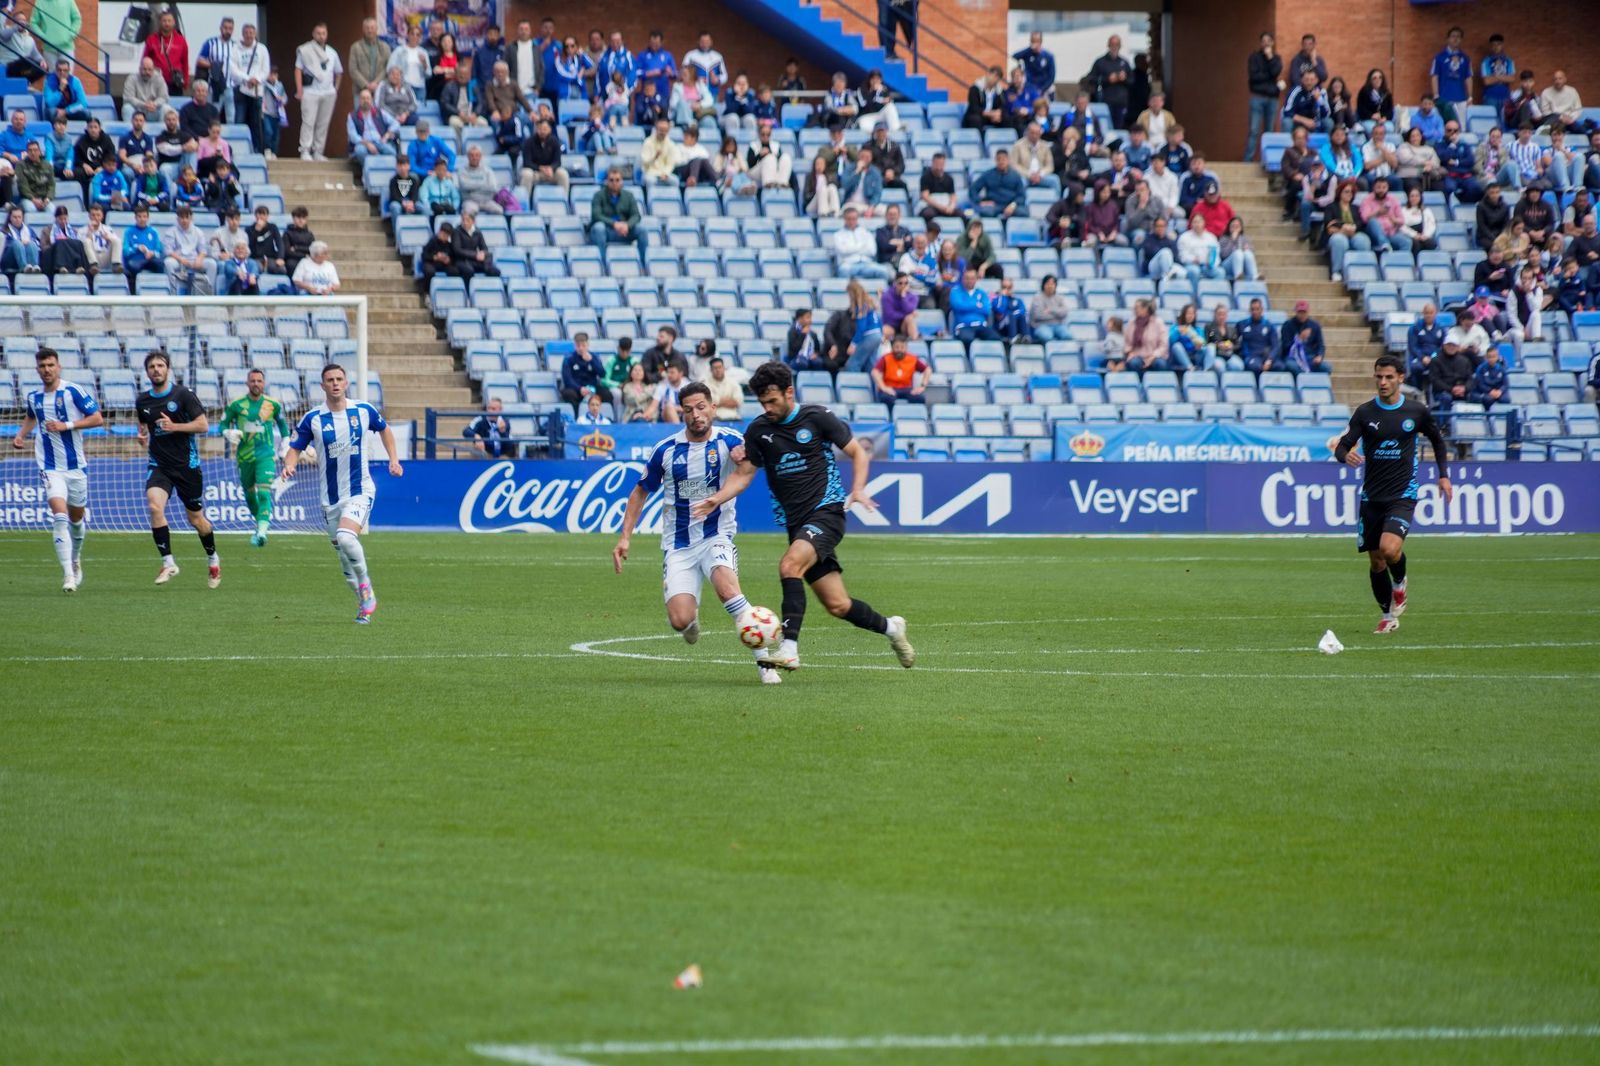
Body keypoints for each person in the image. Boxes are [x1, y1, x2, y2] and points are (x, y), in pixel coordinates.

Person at [690, 361, 913, 673]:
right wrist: (716, 498)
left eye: (773, 400)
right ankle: (892, 628)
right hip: (798, 525)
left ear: (789, 392)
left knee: (788, 565)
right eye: (762, 402)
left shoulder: (817, 417)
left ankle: (789, 650)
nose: (768, 408)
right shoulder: (759, 430)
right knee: (838, 605)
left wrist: (858, 489)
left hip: (827, 512)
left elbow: (859, 452)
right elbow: (745, 474)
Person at [613, 382, 779, 682]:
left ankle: (765, 665)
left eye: (701, 407)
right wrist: (625, 536)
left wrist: (748, 456)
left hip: (717, 535)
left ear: (713, 407)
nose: (696, 415)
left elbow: (753, 463)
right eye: (688, 410)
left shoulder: (730, 441)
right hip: (679, 544)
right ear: (682, 413)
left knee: (728, 590)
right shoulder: (665, 450)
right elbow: (640, 491)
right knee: (680, 620)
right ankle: (690, 621)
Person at [1334, 355, 1451, 633]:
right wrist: (1345, 456)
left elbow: (1437, 439)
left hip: (1402, 494)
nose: (1383, 382)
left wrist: (1443, 475)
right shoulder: (1365, 413)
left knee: (1389, 549)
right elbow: (1342, 446)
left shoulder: (1416, 412)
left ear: (1401, 378)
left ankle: (1400, 584)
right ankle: (1388, 616)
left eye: (1388, 377)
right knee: (1375, 562)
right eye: (1378, 377)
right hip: (1371, 497)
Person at [281, 365, 403, 623]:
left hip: (360, 489)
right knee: (344, 558)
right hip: (330, 498)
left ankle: (367, 586)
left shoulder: (363, 410)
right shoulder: (313, 418)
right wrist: (290, 464)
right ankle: (362, 603)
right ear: (323, 386)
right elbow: (295, 448)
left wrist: (394, 459)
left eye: (339, 379)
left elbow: (385, 430)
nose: (335, 383)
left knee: (347, 539)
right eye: (330, 380)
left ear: (346, 383)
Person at [11, 348, 102, 591]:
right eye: (42, 366)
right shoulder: (33, 397)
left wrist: (66, 425)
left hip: (76, 466)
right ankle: (68, 576)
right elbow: (32, 416)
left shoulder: (73, 391)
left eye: (51, 365)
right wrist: (21, 435)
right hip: (50, 466)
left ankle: (76, 558)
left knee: (76, 519)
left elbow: (97, 418)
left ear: (58, 366)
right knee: (59, 516)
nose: (47, 370)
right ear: (37, 369)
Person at [136, 351, 218, 587]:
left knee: (196, 519)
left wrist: (175, 426)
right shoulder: (142, 401)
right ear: (147, 372)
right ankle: (168, 562)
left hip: (186, 466)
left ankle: (213, 557)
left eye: (160, 365)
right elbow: (143, 426)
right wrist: (141, 436)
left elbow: (203, 425)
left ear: (168, 369)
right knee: (154, 505)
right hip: (159, 465)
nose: (156, 369)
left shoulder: (183, 395)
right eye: (151, 366)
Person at [218, 369, 291, 546]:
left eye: (259, 381)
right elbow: (222, 424)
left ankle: (263, 532)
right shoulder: (237, 405)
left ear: (263, 383)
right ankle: (259, 526)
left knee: (265, 493)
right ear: (247, 383)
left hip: (266, 455)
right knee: (250, 496)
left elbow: (282, 424)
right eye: (253, 381)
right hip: (244, 457)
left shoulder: (272, 404)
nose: (256, 384)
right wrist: (228, 432)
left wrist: (286, 442)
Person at [295, 24, 343, 161]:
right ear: (313, 34)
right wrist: (299, 89)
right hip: (310, 91)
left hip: (328, 92)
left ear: (327, 35)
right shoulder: (305, 50)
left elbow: (339, 72)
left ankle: (318, 151)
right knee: (308, 122)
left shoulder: (332, 52)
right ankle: (305, 150)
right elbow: (298, 69)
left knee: (323, 123)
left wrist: (335, 89)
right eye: (318, 33)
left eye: (323, 33)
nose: (321, 36)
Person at [588, 166, 644, 267]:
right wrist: (614, 224)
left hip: (624, 232)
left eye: (617, 180)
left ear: (622, 181)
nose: (614, 183)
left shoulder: (629, 196)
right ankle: (603, 265)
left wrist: (627, 225)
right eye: (611, 180)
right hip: (607, 231)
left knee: (641, 230)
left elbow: (636, 215)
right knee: (598, 227)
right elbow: (596, 215)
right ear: (607, 181)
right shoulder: (598, 195)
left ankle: (643, 265)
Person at [1244, 32, 1283, 162]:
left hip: (1272, 99)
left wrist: (1270, 57)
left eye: (1268, 40)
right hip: (1257, 97)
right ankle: (1248, 160)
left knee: (1269, 131)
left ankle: (1267, 160)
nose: (1266, 43)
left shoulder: (1276, 59)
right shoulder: (1254, 57)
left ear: (1272, 43)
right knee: (1254, 130)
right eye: (1263, 41)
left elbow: (1276, 71)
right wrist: (1270, 77)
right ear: (1260, 43)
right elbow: (1254, 77)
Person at [163, 206, 213, 294]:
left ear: (191, 218)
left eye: (187, 217)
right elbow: (168, 251)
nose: (184, 220)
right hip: (178, 260)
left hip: (194, 260)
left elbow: (203, 250)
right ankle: (173, 293)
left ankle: (209, 293)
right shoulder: (171, 231)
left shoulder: (198, 231)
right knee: (168, 262)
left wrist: (199, 259)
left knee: (211, 264)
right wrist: (181, 259)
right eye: (182, 218)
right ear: (178, 219)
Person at [871, 333, 930, 406]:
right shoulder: (886, 358)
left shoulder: (912, 359)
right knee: (886, 399)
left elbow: (927, 370)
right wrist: (883, 387)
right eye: (897, 347)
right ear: (892, 347)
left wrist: (922, 386)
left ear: (906, 348)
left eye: (902, 347)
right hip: (890, 388)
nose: (899, 350)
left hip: (906, 388)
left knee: (919, 399)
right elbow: (874, 372)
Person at [833, 207, 891, 280]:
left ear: (857, 219)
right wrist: (861, 246)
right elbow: (843, 251)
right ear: (844, 219)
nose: (851, 221)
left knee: (884, 271)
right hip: (848, 265)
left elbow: (872, 251)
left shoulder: (866, 232)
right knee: (844, 271)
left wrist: (850, 249)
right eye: (849, 219)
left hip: (867, 264)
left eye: (853, 219)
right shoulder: (838, 235)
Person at [1430, 26, 1472, 123]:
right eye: (1453, 36)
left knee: (1461, 126)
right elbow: (1434, 76)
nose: (1455, 39)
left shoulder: (1465, 58)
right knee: (1445, 125)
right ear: (1448, 39)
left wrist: (1470, 97)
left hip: (1461, 98)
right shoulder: (1439, 57)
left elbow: (1468, 77)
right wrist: (1436, 95)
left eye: (1458, 37)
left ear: (1461, 39)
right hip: (1445, 98)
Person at [1088, 35, 1132, 128]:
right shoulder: (1100, 62)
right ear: (1108, 45)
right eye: (1112, 44)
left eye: (1117, 44)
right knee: (1105, 127)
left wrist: (1124, 78)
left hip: (1121, 102)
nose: (1114, 47)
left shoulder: (1124, 62)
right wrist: (1107, 79)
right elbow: (1091, 78)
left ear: (1120, 46)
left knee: (1119, 127)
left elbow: (1132, 81)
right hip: (1105, 101)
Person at [966, 150, 1025, 218]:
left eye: (1003, 159)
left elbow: (1021, 196)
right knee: (985, 212)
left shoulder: (1015, 176)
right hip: (994, 205)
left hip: (1011, 204)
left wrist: (1013, 205)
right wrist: (980, 201)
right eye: (998, 159)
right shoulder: (988, 174)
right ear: (995, 160)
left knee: (1023, 212)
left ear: (1008, 160)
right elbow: (973, 189)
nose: (1001, 162)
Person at [949, 268, 999, 343]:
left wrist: (967, 305)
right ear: (962, 279)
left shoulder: (982, 293)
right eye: (967, 278)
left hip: (981, 326)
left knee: (995, 338)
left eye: (972, 278)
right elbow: (958, 306)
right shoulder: (955, 292)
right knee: (967, 339)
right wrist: (976, 305)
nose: (969, 281)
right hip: (964, 326)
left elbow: (986, 310)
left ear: (976, 279)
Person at [142, 11, 189, 94]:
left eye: (169, 21)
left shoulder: (181, 40)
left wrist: (185, 81)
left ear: (174, 23)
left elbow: (185, 62)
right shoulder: (151, 39)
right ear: (160, 22)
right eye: (164, 21)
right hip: (155, 81)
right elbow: (144, 60)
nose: (167, 23)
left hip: (175, 82)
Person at [348, 17, 391, 104]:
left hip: (379, 90)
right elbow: (353, 69)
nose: (370, 30)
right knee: (360, 116)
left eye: (372, 28)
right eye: (367, 28)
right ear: (363, 29)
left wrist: (376, 83)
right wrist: (366, 85)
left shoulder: (385, 47)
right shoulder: (356, 47)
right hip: (360, 90)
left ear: (376, 29)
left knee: (378, 116)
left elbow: (388, 67)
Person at [1405, 303, 1446, 389]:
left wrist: (1433, 357)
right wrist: (1423, 357)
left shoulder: (1441, 329)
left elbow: (1442, 347)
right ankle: (1417, 389)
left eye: (1431, 313)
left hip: (1435, 357)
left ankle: (1435, 395)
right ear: (1423, 313)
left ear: (1435, 313)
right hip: (1420, 358)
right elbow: (1413, 347)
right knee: (1416, 368)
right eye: (1426, 313)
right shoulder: (1415, 328)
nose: (1429, 315)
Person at [1177, 213, 1222, 284]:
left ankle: (1212, 292)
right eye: (1195, 222)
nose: (1197, 224)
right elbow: (1182, 256)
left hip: (1207, 266)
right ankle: (1194, 294)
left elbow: (1216, 255)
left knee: (1220, 272)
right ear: (1191, 224)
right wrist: (1192, 259)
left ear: (1204, 223)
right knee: (1195, 271)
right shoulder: (1184, 237)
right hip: (1191, 265)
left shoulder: (1211, 237)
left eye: (1199, 221)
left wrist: (1212, 264)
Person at [1236, 299, 1276, 373]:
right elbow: (1236, 342)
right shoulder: (1242, 325)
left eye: (1257, 309)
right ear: (1249, 310)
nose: (1255, 312)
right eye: (1252, 309)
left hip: (1266, 356)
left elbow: (1275, 345)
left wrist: (1270, 359)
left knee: (1280, 366)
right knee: (1256, 367)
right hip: (1251, 356)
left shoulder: (1269, 325)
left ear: (1262, 310)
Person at [1201, 303, 1243, 371]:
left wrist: (1232, 346)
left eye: (1223, 314)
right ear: (1215, 315)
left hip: (1229, 355)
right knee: (1220, 367)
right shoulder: (1210, 328)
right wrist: (1218, 345)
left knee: (1239, 366)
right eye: (1219, 314)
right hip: (1217, 355)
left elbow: (1237, 344)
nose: (1221, 317)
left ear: (1226, 316)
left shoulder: (1231, 329)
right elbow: (1207, 342)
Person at [918, 151, 958, 222]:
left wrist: (951, 206)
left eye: (941, 164)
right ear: (932, 163)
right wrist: (941, 207)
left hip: (946, 206)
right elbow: (925, 196)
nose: (939, 167)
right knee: (928, 214)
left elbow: (953, 195)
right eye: (937, 164)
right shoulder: (925, 177)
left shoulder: (949, 178)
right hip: (932, 206)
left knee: (962, 214)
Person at [1029, 275, 1071, 341]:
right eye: (1048, 284)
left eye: (1052, 284)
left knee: (1068, 336)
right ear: (1043, 285)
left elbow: (1064, 313)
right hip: (1041, 325)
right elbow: (1038, 315)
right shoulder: (1037, 298)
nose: (1050, 286)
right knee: (1047, 336)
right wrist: (1057, 315)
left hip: (1058, 325)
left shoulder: (1060, 298)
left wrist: (1051, 310)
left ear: (1055, 286)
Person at [880, 270, 919, 339]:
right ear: (895, 283)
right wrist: (905, 315)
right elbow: (890, 315)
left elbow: (909, 310)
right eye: (900, 283)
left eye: (906, 283)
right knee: (883, 331)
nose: (903, 285)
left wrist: (903, 297)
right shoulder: (886, 296)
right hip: (891, 325)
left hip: (904, 326)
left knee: (909, 319)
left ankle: (915, 343)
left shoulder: (913, 296)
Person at [1218, 217, 1259, 281]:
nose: (1235, 228)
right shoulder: (1224, 238)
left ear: (1241, 228)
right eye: (1233, 226)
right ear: (1229, 227)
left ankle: (1255, 276)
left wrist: (1247, 249)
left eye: (1237, 226)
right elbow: (1223, 254)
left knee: (1248, 253)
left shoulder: (1245, 239)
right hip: (1227, 265)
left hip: (1243, 265)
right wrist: (1232, 241)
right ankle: (1238, 276)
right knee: (1238, 253)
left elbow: (1251, 255)